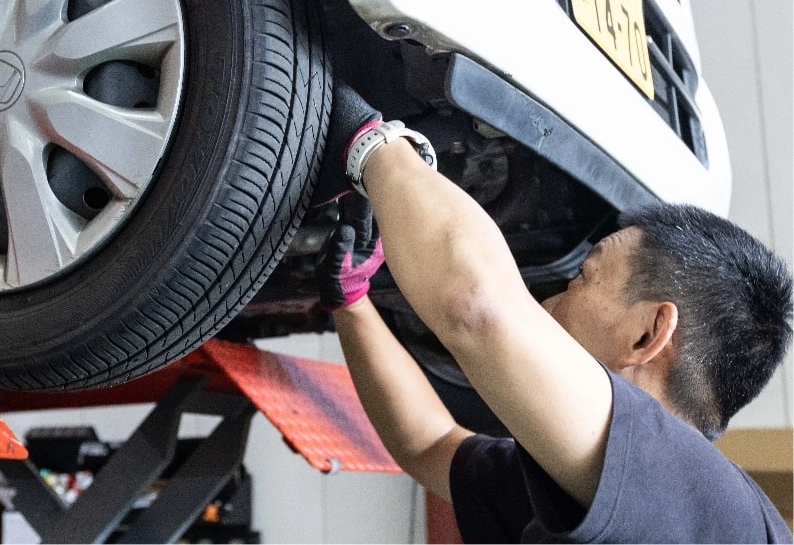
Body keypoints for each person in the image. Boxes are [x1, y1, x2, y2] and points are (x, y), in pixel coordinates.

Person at [313, 84, 794, 543]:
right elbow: (430, 446)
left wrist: (372, 144)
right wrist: (353, 301)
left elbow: (476, 307)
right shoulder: (612, 489)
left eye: (585, 275)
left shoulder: (727, 519)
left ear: (648, 334)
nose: (551, 301)